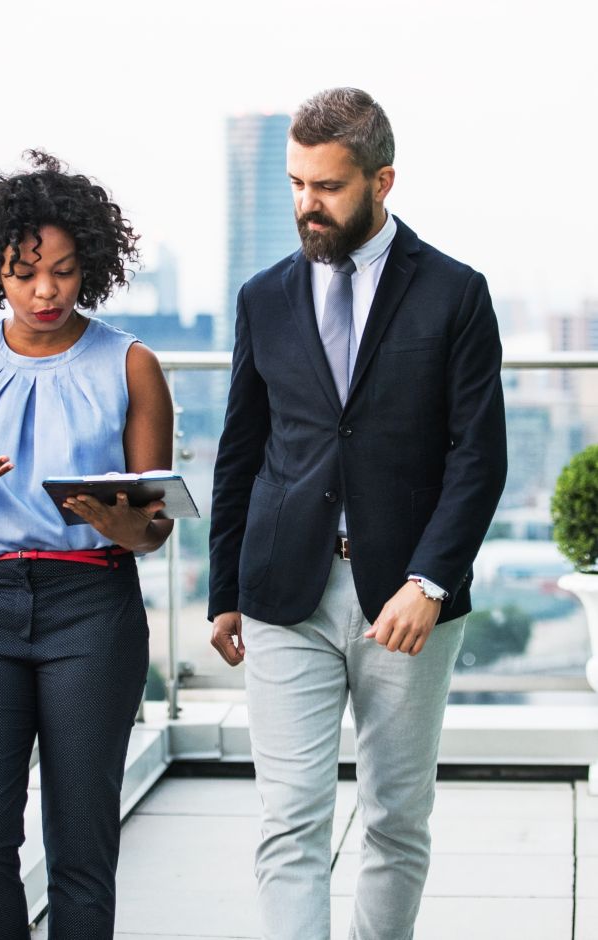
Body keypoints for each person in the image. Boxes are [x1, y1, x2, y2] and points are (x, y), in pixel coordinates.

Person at [209, 88, 507, 940]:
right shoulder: (263, 296)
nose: (308, 204)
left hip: (407, 598)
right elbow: (241, 450)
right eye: (297, 183)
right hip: (282, 592)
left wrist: (432, 580)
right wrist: (222, 588)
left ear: (383, 181)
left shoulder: (455, 293)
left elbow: (479, 457)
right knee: (289, 821)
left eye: (328, 186)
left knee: (394, 819)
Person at [0, 150, 173, 940]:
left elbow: (154, 523)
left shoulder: (131, 365)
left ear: (89, 267)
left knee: (82, 843)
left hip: (91, 605)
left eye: (63, 271)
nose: (45, 291)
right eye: (25, 272)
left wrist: (126, 527)